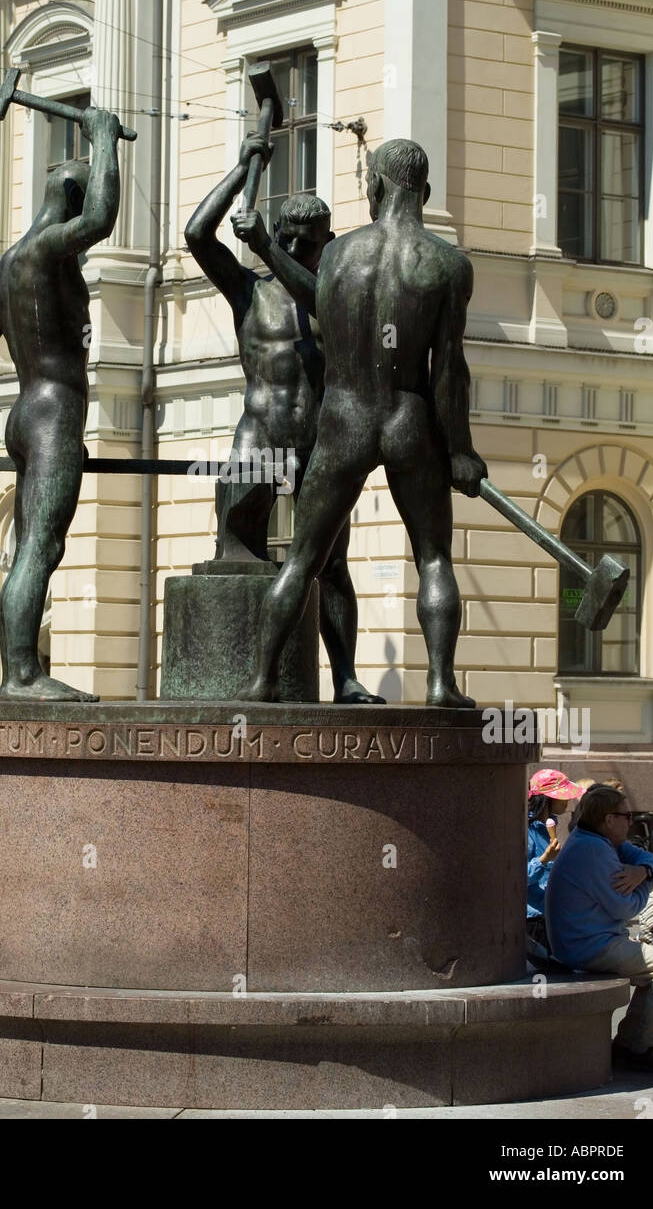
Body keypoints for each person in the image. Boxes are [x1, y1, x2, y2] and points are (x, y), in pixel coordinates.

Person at [233, 139, 487, 706]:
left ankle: (261, 680)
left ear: (374, 187)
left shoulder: (340, 255)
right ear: (424, 192)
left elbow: (315, 298)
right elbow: (449, 371)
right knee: (434, 558)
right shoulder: (449, 266)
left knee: (303, 558)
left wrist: (266, 249)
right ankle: (441, 683)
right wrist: (461, 450)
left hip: (343, 419)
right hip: (408, 418)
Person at [186, 133, 381, 703]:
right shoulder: (249, 289)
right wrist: (243, 164)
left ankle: (344, 679)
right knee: (236, 553)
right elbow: (198, 234)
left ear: (329, 242)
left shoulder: (337, 296)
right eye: (287, 235)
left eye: (306, 240)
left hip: (321, 445)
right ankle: (247, 676)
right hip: (262, 435)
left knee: (331, 565)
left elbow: (319, 301)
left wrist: (269, 245)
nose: (294, 246)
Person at [0, 108, 124, 702]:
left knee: (31, 547)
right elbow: (103, 217)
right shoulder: (48, 250)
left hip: (24, 413)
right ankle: (21, 674)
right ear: (70, 201)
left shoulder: (7, 268)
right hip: (52, 412)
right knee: (40, 548)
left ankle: (17, 671)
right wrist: (104, 146)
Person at [546, 783, 653, 1072]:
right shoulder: (592, 850)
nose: (631, 822)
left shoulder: (598, 840)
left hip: (593, 940)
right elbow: (626, 907)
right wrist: (645, 885)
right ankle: (639, 1046)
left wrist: (643, 871)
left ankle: (632, 1043)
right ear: (609, 820)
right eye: (626, 816)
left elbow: (648, 858)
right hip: (587, 947)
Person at [526, 768, 585, 955]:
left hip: (552, 915)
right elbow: (517, 878)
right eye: (562, 795)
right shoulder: (527, 831)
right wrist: (543, 860)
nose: (567, 800)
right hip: (533, 922)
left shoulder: (547, 827)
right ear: (548, 799)